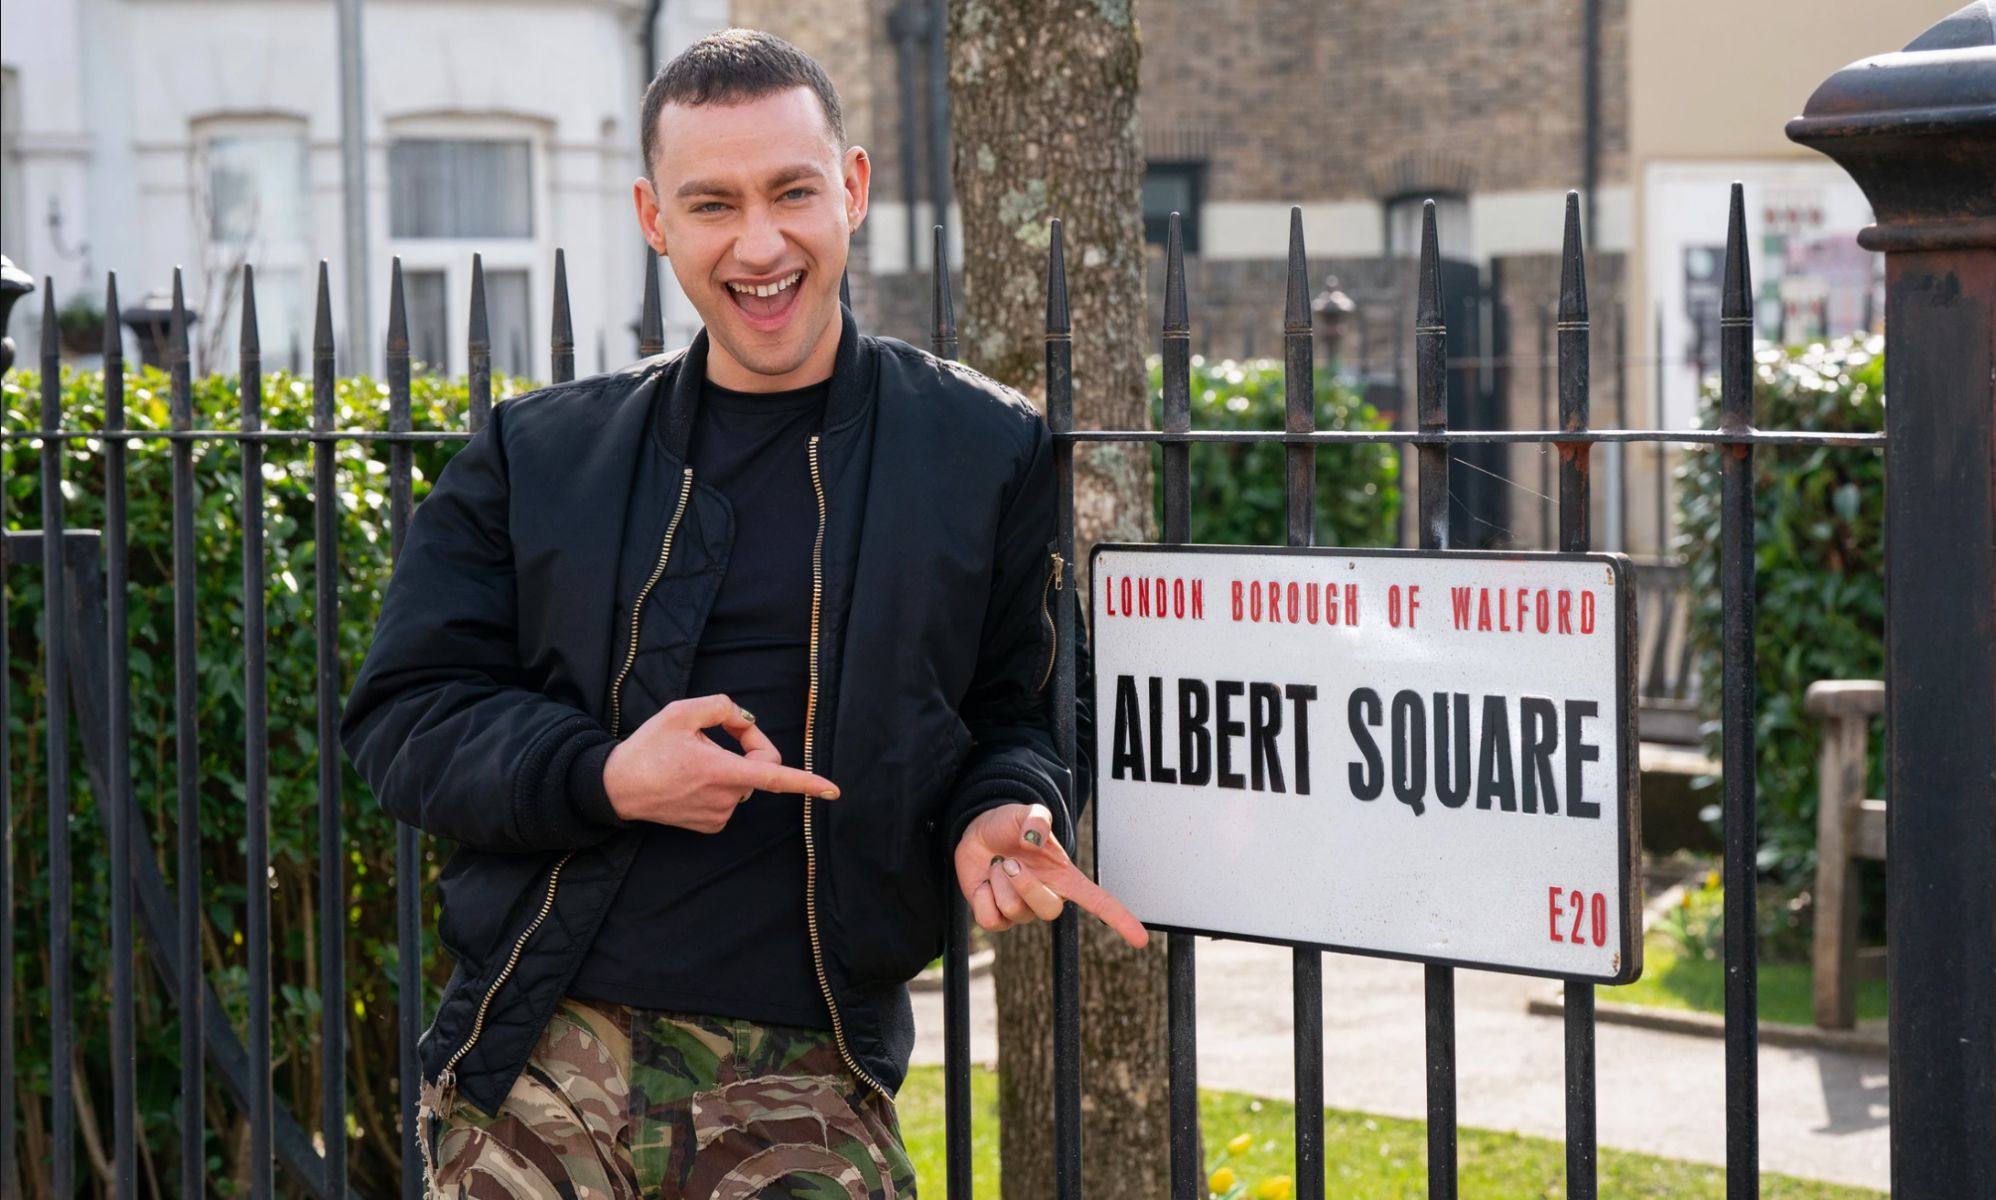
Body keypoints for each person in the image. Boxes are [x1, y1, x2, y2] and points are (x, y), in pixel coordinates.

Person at [340, 27, 1147, 1200]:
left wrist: (1005, 807)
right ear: (653, 217)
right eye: (712, 203)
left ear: (853, 189)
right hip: (542, 1039)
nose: (760, 244)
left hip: (807, 1060)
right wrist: (607, 773)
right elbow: (404, 716)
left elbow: (1014, 709)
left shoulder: (981, 447)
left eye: (793, 192)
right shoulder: (538, 453)